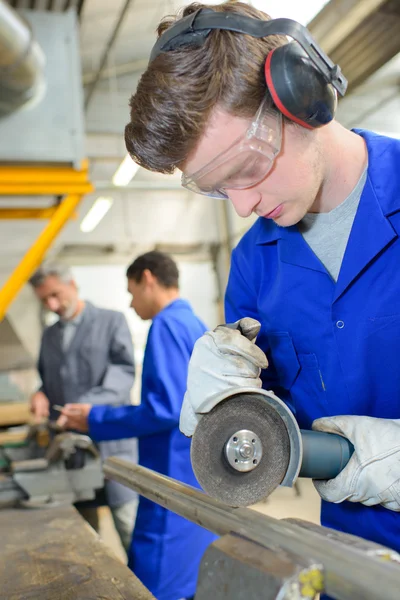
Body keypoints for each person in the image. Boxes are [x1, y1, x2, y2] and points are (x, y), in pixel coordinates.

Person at [119, 1, 400, 559]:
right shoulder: (254, 265)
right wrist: (236, 411)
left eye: (246, 170)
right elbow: (283, 435)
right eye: (219, 189)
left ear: (303, 97)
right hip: (351, 562)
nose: (243, 205)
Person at [58, 251, 217, 600]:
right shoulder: (195, 323)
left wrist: (94, 418)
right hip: (195, 466)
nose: (131, 305)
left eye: (131, 293)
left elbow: (165, 409)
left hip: (168, 470)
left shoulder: (165, 324)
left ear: (148, 279)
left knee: (152, 581)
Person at [29, 262, 138, 553]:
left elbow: (123, 375)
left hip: (113, 449)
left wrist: (85, 407)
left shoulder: (110, 321)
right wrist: (40, 394)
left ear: (73, 284)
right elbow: (49, 383)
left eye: (56, 294)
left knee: (130, 530)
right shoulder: (49, 336)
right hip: (72, 455)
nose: (52, 304)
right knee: (84, 539)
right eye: (44, 300)